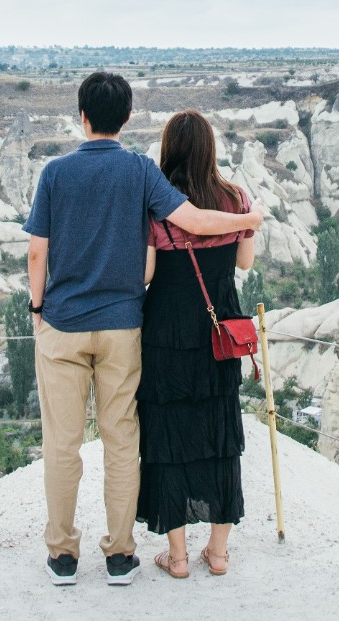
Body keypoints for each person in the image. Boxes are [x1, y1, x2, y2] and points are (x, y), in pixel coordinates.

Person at [26, 71, 265, 587]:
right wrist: (251, 219)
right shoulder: (139, 172)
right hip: (123, 328)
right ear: (128, 117)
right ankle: (119, 556)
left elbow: (37, 250)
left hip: (67, 325)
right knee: (122, 442)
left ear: (81, 116)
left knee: (62, 446)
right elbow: (198, 223)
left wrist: (37, 307)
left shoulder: (54, 173)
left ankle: (63, 558)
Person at [138, 108, 255, 579]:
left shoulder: (157, 206)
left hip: (166, 334)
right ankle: (219, 553)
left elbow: (145, 274)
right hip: (219, 331)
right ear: (210, 150)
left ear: (169, 151)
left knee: (167, 437)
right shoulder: (235, 198)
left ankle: (179, 557)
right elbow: (244, 262)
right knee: (218, 434)